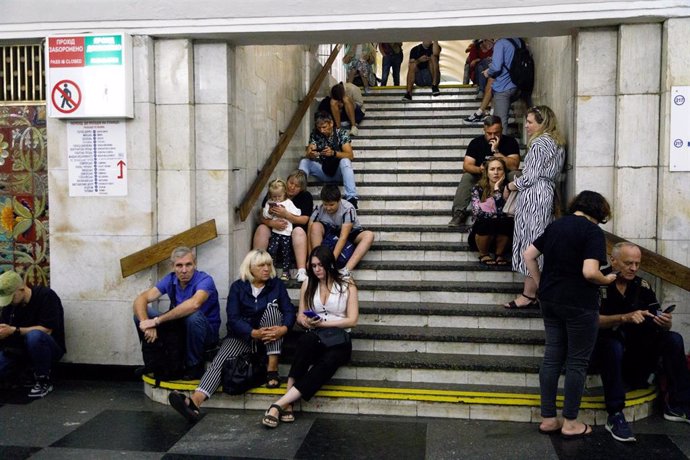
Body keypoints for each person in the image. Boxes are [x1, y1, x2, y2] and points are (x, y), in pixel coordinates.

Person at [523, 190, 617, 438]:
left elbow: (528, 255)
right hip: (579, 302)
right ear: (599, 212)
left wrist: (541, 283)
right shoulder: (592, 231)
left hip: (551, 300)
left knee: (552, 357)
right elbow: (589, 272)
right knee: (577, 362)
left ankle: (548, 418)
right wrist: (606, 280)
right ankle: (571, 422)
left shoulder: (556, 226)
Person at [168, 249, 296, 422]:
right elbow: (233, 319)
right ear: (250, 268)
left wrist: (285, 329)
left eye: (268, 265)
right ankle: (195, 402)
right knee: (219, 361)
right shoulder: (238, 287)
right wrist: (252, 333)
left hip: (269, 341)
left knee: (273, 312)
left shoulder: (277, 285)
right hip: (244, 336)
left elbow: (288, 310)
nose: (266, 269)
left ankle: (272, 370)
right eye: (261, 265)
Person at [595, 242, 690, 442]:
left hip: (637, 353)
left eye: (637, 264)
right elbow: (591, 321)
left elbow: (657, 316)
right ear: (613, 261)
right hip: (605, 351)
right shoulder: (598, 281)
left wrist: (665, 322)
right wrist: (624, 317)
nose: (634, 268)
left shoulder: (642, 285)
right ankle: (615, 415)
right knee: (612, 345)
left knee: (673, 339)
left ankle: (677, 405)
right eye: (629, 263)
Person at [261, 245, 358, 428]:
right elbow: (300, 315)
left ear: (330, 264)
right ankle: (288, 402)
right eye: (313, 266)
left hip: (339, 339)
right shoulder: (308, 283)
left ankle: (279, 404)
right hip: (316, 334)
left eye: (320, 265)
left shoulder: (347, 284)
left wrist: (324, 324)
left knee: (327, 363)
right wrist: (305, 321)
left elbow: (352, 320)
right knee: (305, 342)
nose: (317, 269)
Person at [504, 106, 565, 309]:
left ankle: (530, 294)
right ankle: (535, 291)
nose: (527, 126)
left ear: (543, 123)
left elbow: (530, 177)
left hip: (534, 196)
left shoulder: (540, 143)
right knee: (537, 242)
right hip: (547, 193)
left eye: (530, 122)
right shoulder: (557, 143)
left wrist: (511, 185)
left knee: (529, 243)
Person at [133, 246, 220, 379]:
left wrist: (157, 321)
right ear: (173, 266)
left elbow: (194, 304)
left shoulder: (205, 280)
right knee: (140, 315)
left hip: (205, 334)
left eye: (188, 265)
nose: (184, 270)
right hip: (180, 330)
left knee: (193, 316)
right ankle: (153, 362)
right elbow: (141, 298)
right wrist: (147, 323)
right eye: (179, 266)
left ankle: (194, 366)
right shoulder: (171, 279)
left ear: (195, 264)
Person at [0, 271, 65, 398]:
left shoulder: (46, 296)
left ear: (22, 289)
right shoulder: (10, 306)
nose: (10, 302)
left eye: (12, 297)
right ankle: (20, 374)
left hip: (47, 347)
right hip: (16, 349)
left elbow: (47, 330)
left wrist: (13, 330)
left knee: (35, 336)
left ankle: (43, 379)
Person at [448, 115, 520, 228]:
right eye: (489, 133)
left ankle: (519, 210)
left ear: (501, 129)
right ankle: (459, 213)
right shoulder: (476, 143)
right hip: (482, 176)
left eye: (496, 133)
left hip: (502, 176)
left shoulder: (510, 142)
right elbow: (466, 166)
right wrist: (480, 169)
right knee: (467, 176)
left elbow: (514, 165)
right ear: (484, 130)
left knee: (516, 175)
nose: (493, 136)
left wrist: (496, 151)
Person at [253, 169, 313, 283]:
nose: (292, 187)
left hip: (291, 234)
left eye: (297, 186)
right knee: (261, 228)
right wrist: (271, 223)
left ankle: (301, 270)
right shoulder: (276, 191)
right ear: (287, 181)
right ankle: (256, 265)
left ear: (302, 188)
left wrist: (286, 215)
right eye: (291, 183)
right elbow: (262, 215)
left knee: (299, 231)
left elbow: (304, 219)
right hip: (273, 233)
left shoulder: (305, 196)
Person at [309, 184, 374, 278]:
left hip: (350, 233)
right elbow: (309, 230)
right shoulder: (319, 209)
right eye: (325, 204)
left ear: (339, 200)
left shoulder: (348, 208)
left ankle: (346, 270)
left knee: (369, 235)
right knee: (315, 226)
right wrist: (310, 257)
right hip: (330, 233)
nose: (328, 208)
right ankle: (317, 261)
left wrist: (331, 262)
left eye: (331, 204)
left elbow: (343, 237)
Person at [299, 111, 359, 209]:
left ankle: (351, 198)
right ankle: (299, 195)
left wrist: (333, 153)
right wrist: (311, 154)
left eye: (324, 127)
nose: (322, 130)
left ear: (331, 123)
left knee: (345, 161)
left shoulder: (341, 133)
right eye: (319, 128)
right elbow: (309, 150)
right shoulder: (315, 134)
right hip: (324, 170)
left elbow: (350, 155)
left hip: (339, 172)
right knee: (304, 162)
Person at [464, 37, 519, 131]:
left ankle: (480, 112)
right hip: (516, 82)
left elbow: (496, 67)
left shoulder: (500, 44)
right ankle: (485, 111)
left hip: (503, 87)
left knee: (501, 123)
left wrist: (488, 72)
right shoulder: (517, 41)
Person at [468, 158, 514, 266]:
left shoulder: (509, 188)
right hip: (481, 235)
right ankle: (483, 254)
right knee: (485, 221)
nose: (496, 172)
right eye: (492, 169)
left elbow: (507, 212)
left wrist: (497, 189)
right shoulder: (478, 189)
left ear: (504, 172)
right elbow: (477, 213)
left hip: (501, 236)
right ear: (487, 172)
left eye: (499, 169)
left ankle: (499, 254)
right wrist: (496, 215)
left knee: (507, 221)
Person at [263, 178, 302, 280]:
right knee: (272, 250)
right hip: (275, 232)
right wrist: (270, 212)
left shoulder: (288, 203)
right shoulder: (269, 203)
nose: (276, 199)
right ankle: (272, 269)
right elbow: (265, 215)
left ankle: (286, 272)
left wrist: (286, 213)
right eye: (274, 196)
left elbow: (298, 212)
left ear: (284, 193)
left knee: (286, 252)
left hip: (286, 233)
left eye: (279, 196)